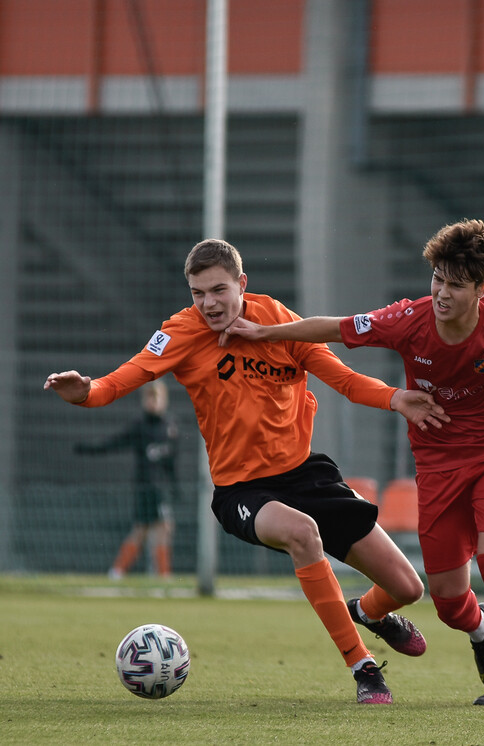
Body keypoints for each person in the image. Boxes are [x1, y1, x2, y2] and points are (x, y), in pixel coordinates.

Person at [220, 218, 484, 707]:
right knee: (449, 602)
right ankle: (476, 632)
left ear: (482, 287)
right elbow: (335, 327)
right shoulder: (407, 320)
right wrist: (265, 332)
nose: (441, 293)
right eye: (437, 278)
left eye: (455, 285)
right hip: (437, 462)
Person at [45, 238, 450, 704]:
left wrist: (395, 397)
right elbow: (120, 381)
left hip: (306, 475)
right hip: (241, 490)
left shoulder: (278, 322)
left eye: (218, 290)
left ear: (241, 283)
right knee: (302, 532)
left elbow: (343, 377)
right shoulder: (179, 333)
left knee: (406, 586)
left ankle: (369, 613)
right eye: (198, 293)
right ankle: (364, 669)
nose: (208, 303)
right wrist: (84, 392)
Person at [75, 380, 179, 580]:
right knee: (149, 529)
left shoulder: (170, 427)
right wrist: (89, 448)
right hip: (145, 486)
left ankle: (124, 572)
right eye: (149, 397)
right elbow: (114, 443)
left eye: (157, 397)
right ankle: (150, 574)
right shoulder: (140, 426)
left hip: (161, 488)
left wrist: (175, 486)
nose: (153, 402)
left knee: (157, 528)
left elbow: (172, 462)